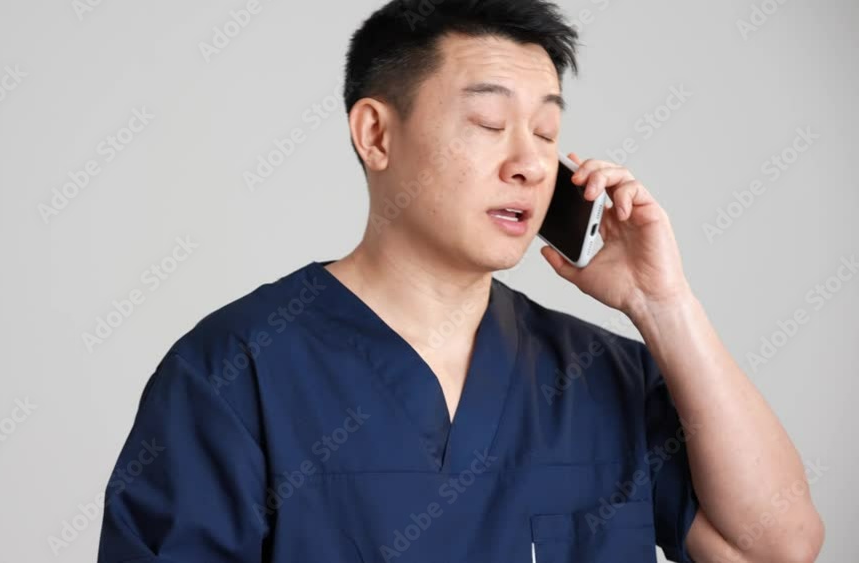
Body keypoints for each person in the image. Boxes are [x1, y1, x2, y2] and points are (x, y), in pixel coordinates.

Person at [97, 1, 824, 561]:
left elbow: (774, 546)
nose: (532, 164)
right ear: (376, 134)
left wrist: (664, 305)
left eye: (545, 133)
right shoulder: (233, 373)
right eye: (488, 123)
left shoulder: (604, 374)